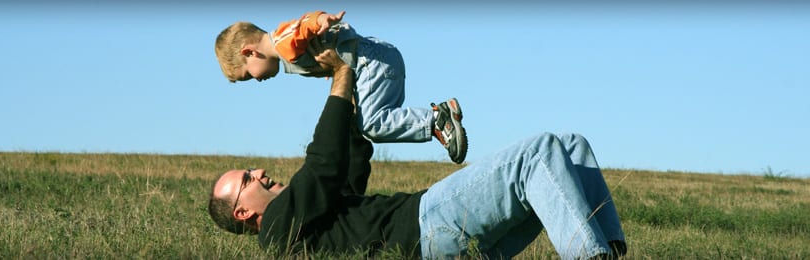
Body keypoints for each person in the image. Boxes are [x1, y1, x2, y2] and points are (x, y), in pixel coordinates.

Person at [206, 49, 627, 259]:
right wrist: (341, 75)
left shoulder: (308, 222)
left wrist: (355, 101)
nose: (258, 171)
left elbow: (346, 169)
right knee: (540, 152)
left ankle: (609, 248)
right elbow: (322, 166)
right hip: (427, 225)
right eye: (246, 179)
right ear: (243, 213)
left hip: (443, 240)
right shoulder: (278, 231)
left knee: (572, 146)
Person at [214, 10, 468, 164]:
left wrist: (322, 19)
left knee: (372, 125)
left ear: (250, 51)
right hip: (376, 58)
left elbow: (302, 24)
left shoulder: (281, 42)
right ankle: (440, 126)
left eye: (249, 75)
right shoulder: (284, 53)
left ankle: (436, 119)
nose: (257, 80)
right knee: (371, 123)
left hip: (371, 61)